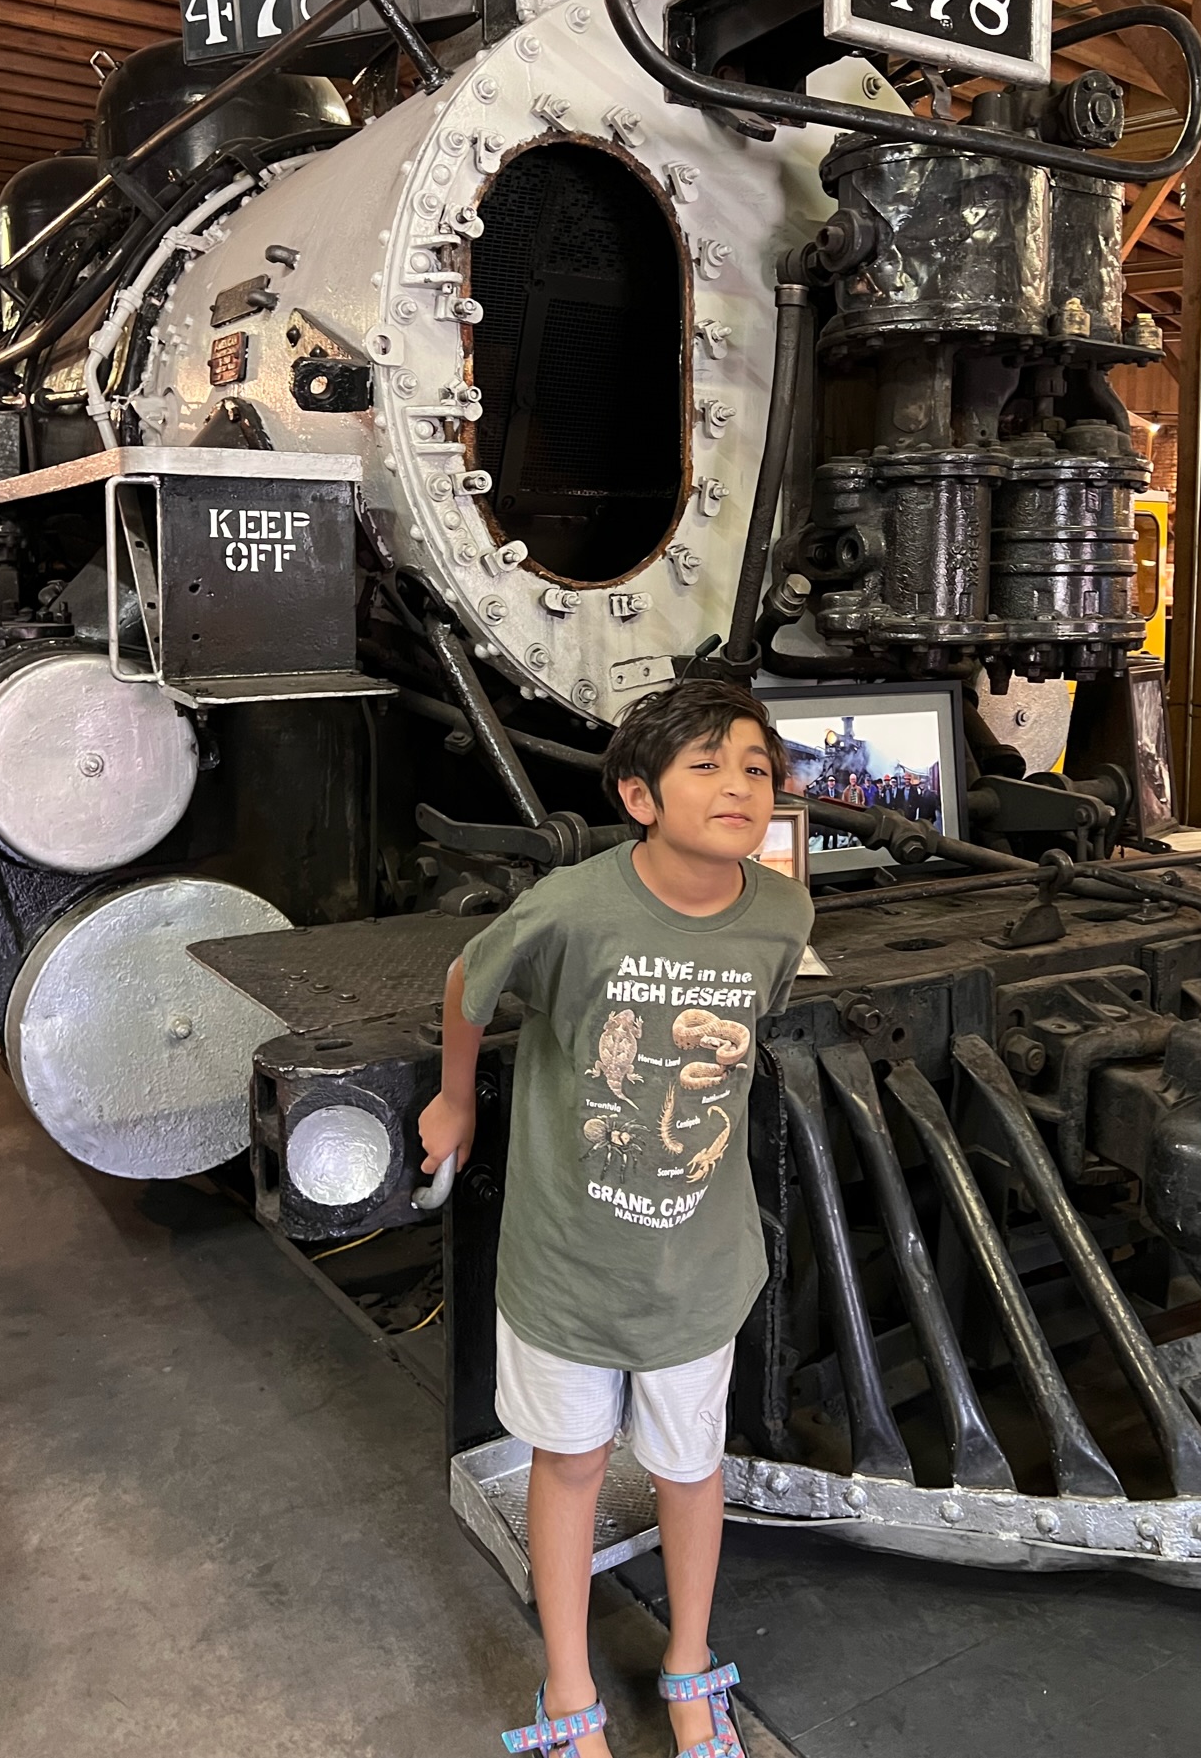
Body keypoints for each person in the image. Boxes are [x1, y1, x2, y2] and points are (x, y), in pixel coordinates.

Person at [419, 680, 815, 1758]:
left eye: (754, 768)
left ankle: (690, 1664)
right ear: (639, 796)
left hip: (695, 1264)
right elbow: (467, 976)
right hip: (567, 1263)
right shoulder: (574, 908)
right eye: (706, 766)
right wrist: (455, 1098)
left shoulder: (782, 911)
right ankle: (566, 1687)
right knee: (572, 1464)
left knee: (693, 1466)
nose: (739, 787)